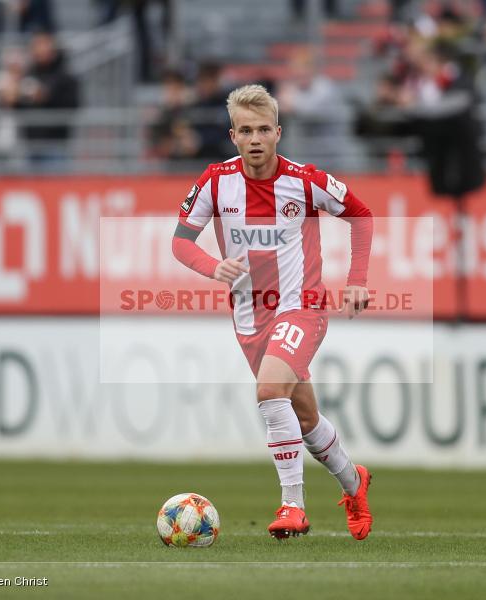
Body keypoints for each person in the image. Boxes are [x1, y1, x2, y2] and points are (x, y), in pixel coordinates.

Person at [171, 85, 374, 540]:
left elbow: (360, 214)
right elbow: (180, 241)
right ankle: (353, 481)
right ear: (233, 136)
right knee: (303, 420)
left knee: (268, 391)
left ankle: (292, 507)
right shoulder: (213, 181)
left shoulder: (305, 180)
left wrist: (356, 279)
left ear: (278, 132)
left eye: (264, 129)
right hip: (249, 315)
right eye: (246, 131)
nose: (256, 138)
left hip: (302, 305)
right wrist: (213, 266)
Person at [15, 32, 81, 167]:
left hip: (56, 144)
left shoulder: (65, 76)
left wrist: (47, 97)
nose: (40, 50)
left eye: (43, 44)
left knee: (55, 184)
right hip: (31, 144)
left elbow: (73, 105)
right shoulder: (27, 75)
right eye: (36, 45)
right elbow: (20, 107)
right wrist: (13, 99)